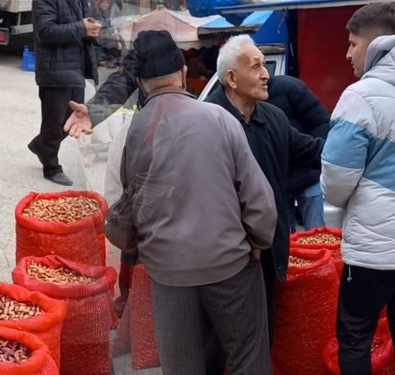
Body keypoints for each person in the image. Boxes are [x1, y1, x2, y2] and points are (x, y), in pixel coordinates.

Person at [117, 30, 276, 374]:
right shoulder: (218, 118)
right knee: (247, 360)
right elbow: (260, 201)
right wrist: (258, 242)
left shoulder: (135, 130)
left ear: (141, 83)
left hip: (168, 274)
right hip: (229, 266)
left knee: (183, 367)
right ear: (183, 72)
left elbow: (129, 200)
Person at [320, 3, 395, 374]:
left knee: (355, 336)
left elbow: (336, 180)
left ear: (375, 45)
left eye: (352, 43)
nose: (347, 53)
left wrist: (339, 200)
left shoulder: (359, 97)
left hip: (375, 248)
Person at [204, 34, 323, 342]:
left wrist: (362, 147)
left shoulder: (273, 117)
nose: (266, 74)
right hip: (224, 258)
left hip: (268, 250)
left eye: (264, 66)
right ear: (231, 78)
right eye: (256, 66)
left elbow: (310, 149)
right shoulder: (205, 122)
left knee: (263, 334)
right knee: (224, 343)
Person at [28, 0, 102, 186]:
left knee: (73, 118)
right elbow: (45, 31)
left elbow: (82, 25)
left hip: (75, 67)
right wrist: (81, 27)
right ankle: (51, 166)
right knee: (54, 121)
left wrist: (91, 30)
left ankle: (40, 145)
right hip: (54, 68)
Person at [267, 75, 330, 231]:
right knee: (283, 238)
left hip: (307, 173)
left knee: (317, 234)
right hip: (279, 180)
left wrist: (314, 156)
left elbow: (321, 122)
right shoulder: (247, 102)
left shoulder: (289, 88)